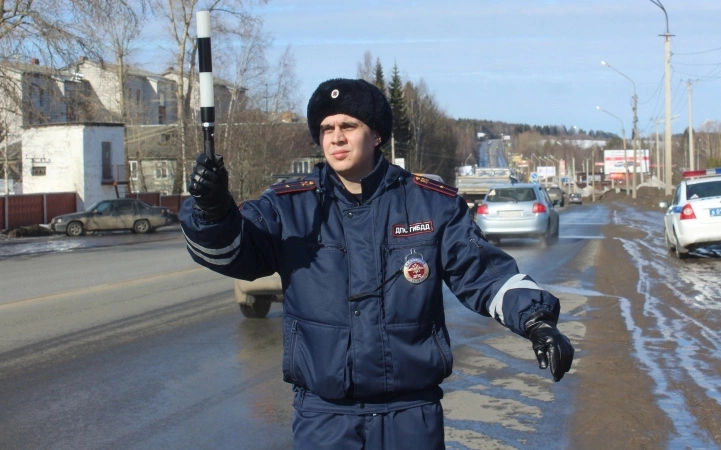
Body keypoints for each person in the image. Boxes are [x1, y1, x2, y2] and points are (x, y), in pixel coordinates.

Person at [180, 78, 574, 449]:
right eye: (326, 128)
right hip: (324, 418)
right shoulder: (289, 206)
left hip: (410, 416)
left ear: (377, 134)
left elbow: (484, 276)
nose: (335, 137)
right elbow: (233, 254)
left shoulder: (431, 204)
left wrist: (536, 321)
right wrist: (212, 210)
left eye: (348, 125)